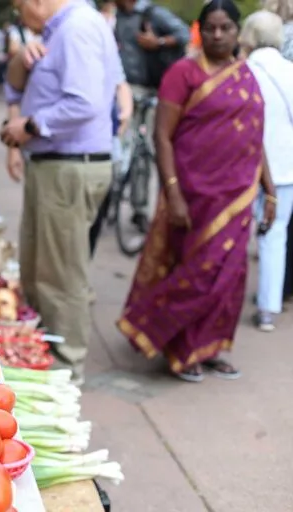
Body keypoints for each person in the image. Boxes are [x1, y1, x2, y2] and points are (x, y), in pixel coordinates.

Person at [117, 0, 276, 383]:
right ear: (199, 30)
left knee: (231, 277)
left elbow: (256, 140)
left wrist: (270, 193)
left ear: (238, 33)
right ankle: (179, 349)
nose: (218, 35)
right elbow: (163, 136)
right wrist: (172, 193)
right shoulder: (183, 73)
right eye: (211, 28)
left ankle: (213, 348)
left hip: (237, 197)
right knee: (196, 275)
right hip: (193, 195)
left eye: (226, 28)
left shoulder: (246, 75)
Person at [1, 0, 122, 384]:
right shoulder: (62, 30)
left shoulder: (76, 28)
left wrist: (29, 127)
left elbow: (83, 103)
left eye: (19, 6)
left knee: (62, 274)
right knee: (44, 268)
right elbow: (15, 84)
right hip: (58, 164)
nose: (19, 16)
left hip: (69, 165)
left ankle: (67, 368)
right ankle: (44, 351)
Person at [239, 11, 293, 332]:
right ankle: (267, 308)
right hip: (286, 168)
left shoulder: (243, 72)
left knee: (236, 234)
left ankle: (226, 297)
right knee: (276, 234)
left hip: (245, 164)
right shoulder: (291, 72)